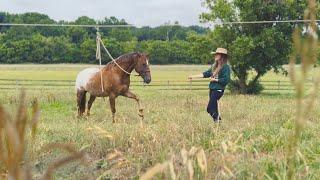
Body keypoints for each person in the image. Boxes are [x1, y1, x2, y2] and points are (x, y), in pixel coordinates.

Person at [188, 48, 231, 123]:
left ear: (222, 56)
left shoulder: (226, 67)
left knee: (209, 109)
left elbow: (226, 80)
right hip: (212, 89)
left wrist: (216, 80)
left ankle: (218, 121)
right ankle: (217, 124)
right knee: (214, 108)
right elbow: (206, 74)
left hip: (218, 90)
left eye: (217, 54)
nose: (215, 55)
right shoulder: (214, 66)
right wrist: (193, 76)